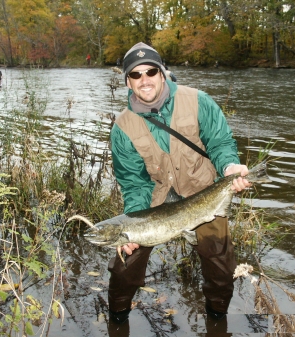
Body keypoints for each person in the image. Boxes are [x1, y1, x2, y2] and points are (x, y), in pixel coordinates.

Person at [107, 42, 251, 326]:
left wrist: (230, 167)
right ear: (127, 81)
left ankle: (217, 317)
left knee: (221, 268)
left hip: (203, 196)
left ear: (163, 73)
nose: (144, 79)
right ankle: (117, 317)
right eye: (135, 75)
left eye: (150, 71)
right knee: (123, 266)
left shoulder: (198, 101)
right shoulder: (122, 127)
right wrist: (134, 226)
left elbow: (220, 143)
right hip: (155, 203)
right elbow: (134, 183)